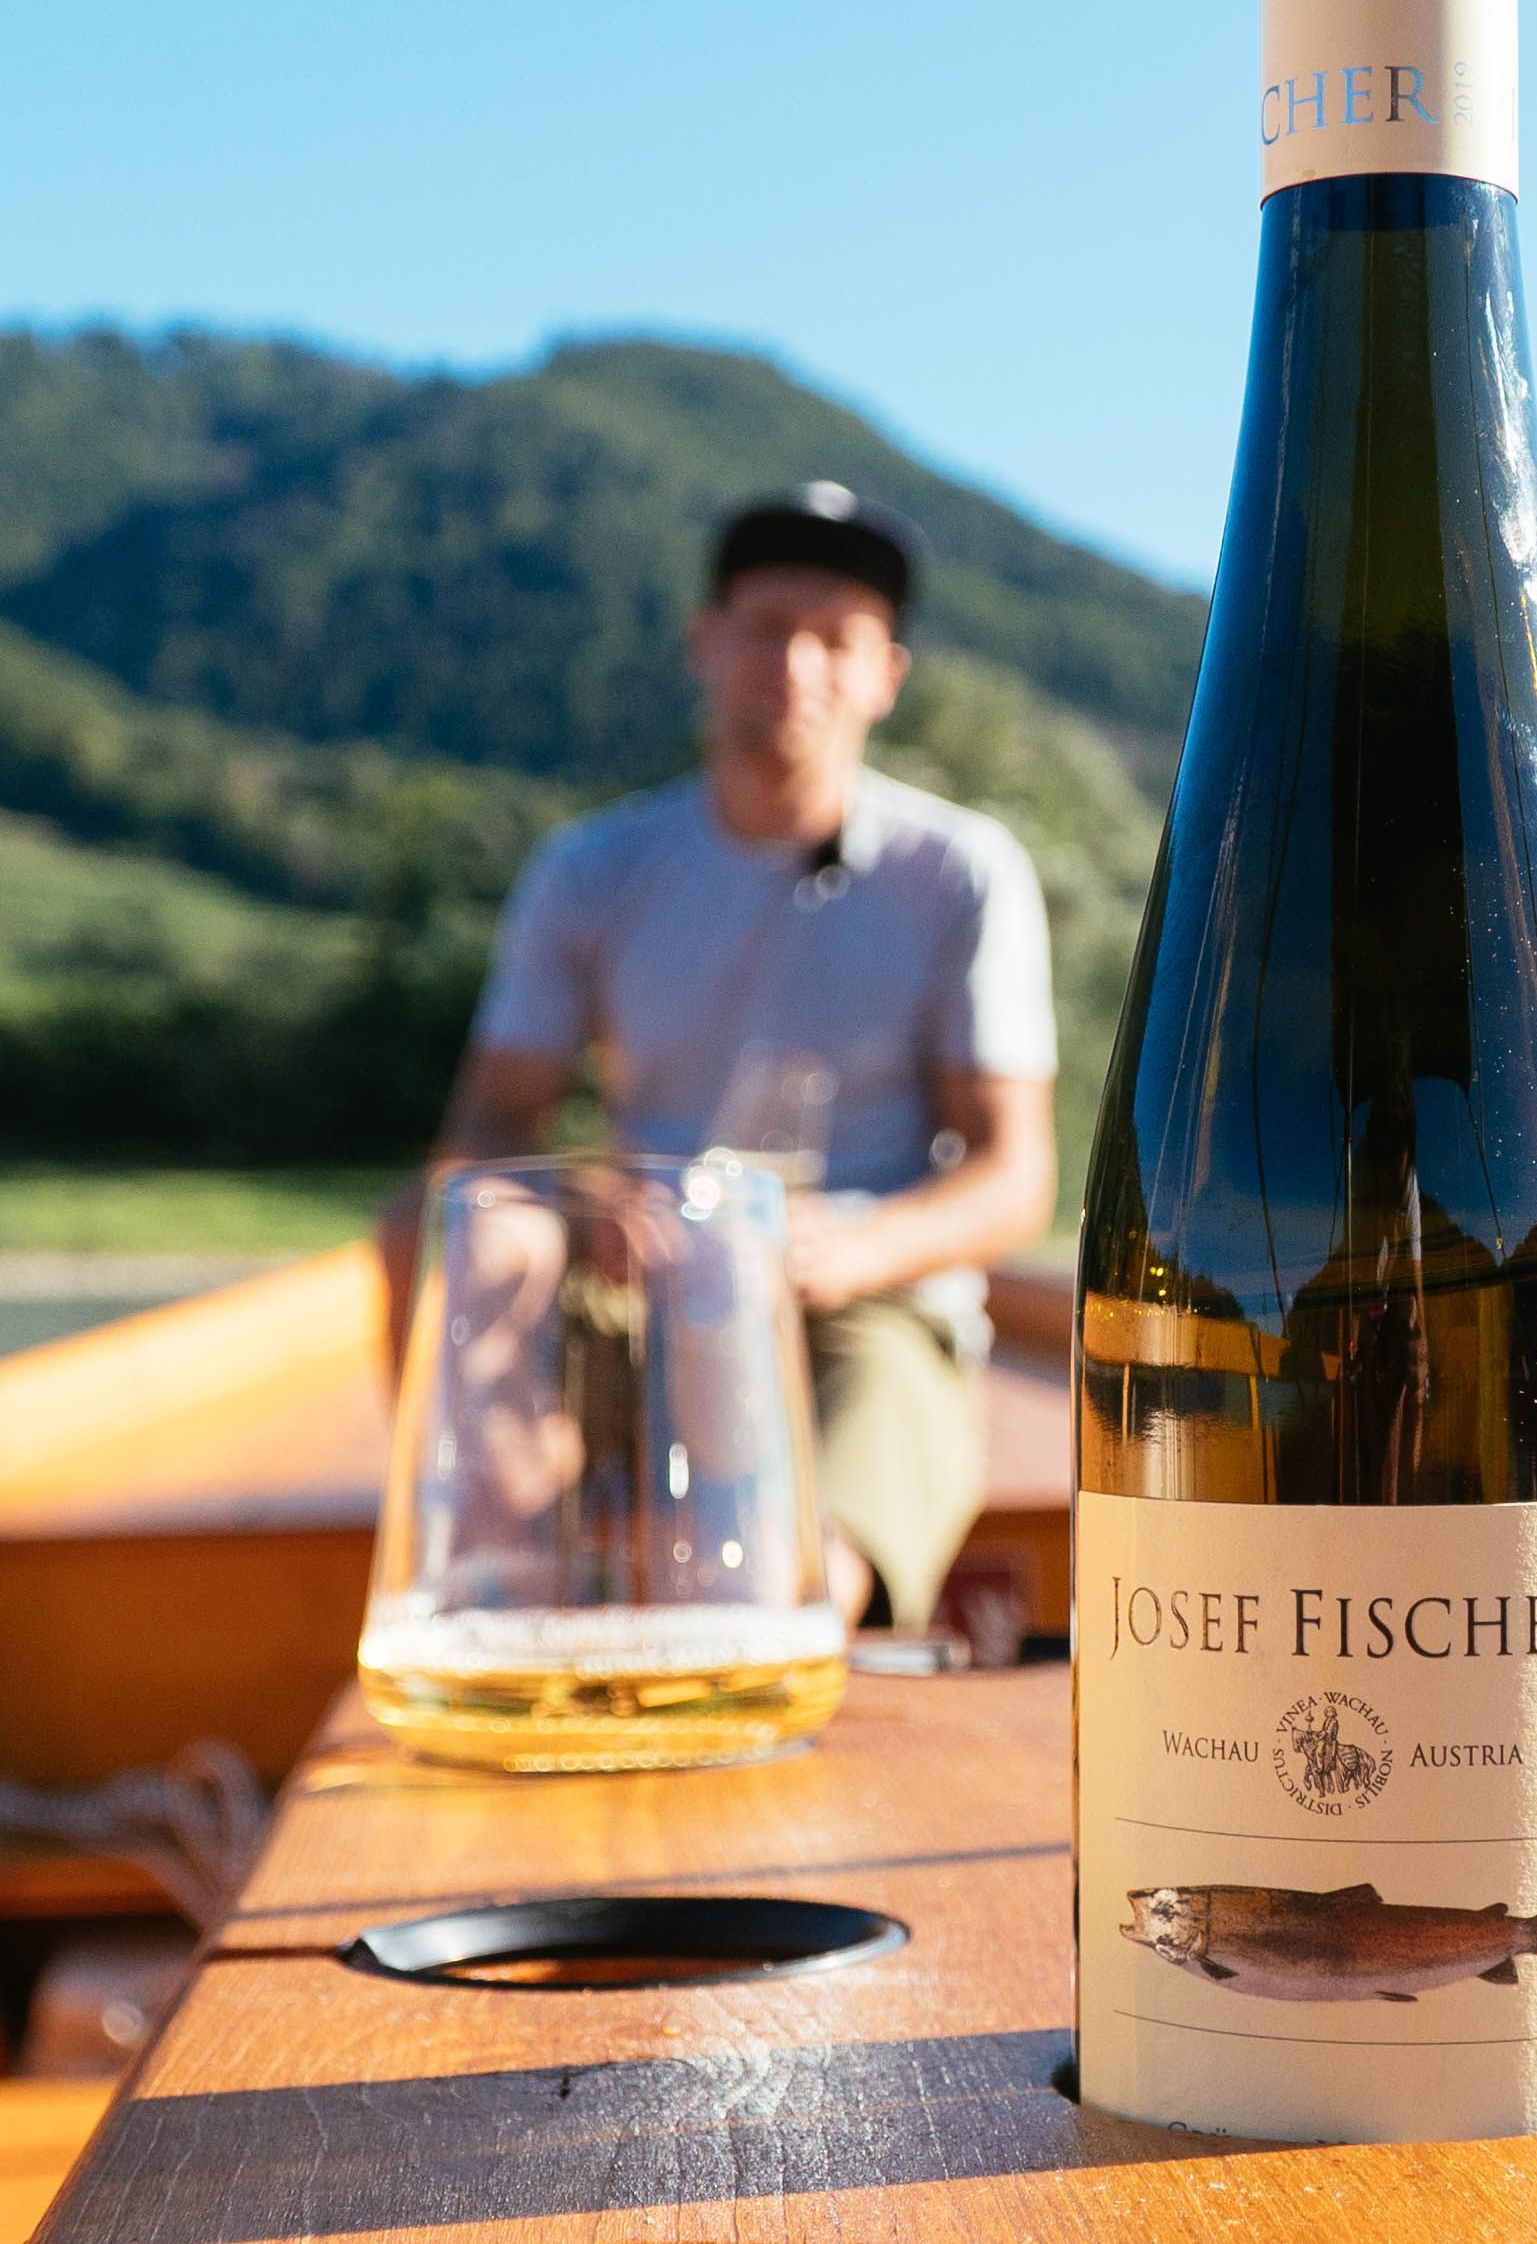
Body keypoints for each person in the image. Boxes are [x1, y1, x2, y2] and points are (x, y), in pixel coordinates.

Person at [405, 483, 1059, 1629]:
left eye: (835, 639)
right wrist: (589, 1203)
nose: (795, 666)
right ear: (704, 642)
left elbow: (1013, 1177)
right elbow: (487, 1131)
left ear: (884, 675)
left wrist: (843, 1249)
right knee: (467, 1226)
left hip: (862, 1305)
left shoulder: (959, 872)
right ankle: (493, 1577)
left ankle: (779, 1604)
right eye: (766, 629)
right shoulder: (590, 869)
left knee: (778, 1592)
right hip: (631, 1287)